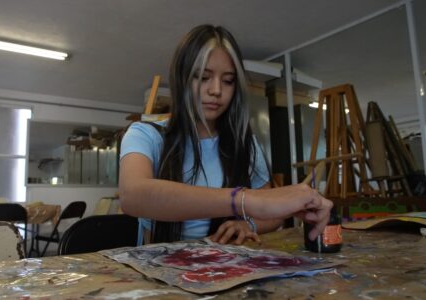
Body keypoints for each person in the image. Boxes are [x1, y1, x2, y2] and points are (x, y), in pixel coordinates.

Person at [119, 24, 332, 246]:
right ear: (181, 78)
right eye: (203, 77)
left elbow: (271, 212)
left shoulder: (244, 143)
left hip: (226, 271)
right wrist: (243, 200)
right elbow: (133, 196)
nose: (216, 90)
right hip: (160, 274)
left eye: (228, 80)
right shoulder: (145, 134)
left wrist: (250, 224)